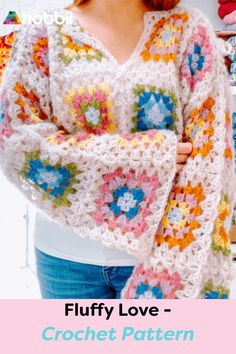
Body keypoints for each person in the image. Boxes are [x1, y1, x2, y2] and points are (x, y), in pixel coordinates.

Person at [0, 0, 235, 299]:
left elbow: (210, 161)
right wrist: (146, 155)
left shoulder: (188, 33)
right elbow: (15, 139)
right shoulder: (43, 34)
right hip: (65, 259)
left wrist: (173, 261)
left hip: (163, 257)